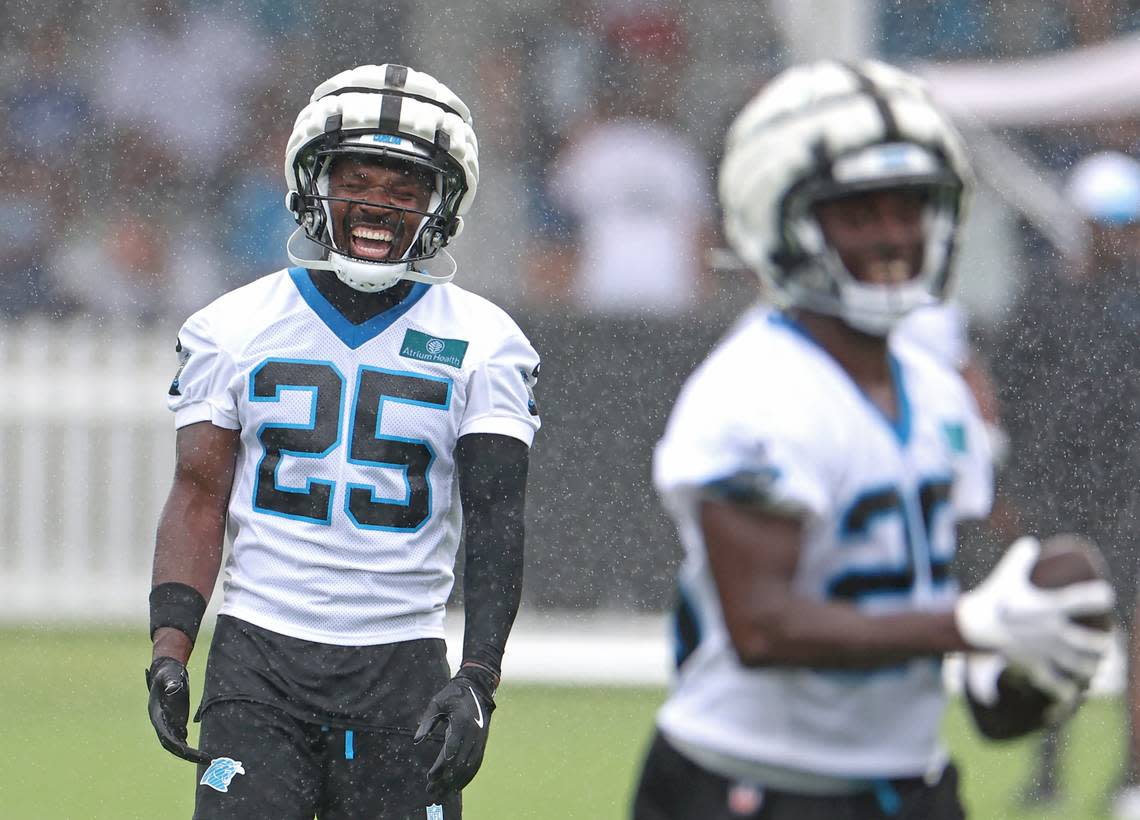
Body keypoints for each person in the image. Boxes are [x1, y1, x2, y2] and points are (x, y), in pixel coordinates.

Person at [631, 59, 1115, 820]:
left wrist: (1017, 669)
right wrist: (967, 627)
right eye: (861, 213)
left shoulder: (936, 391)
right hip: (753, 782)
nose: (895, 235)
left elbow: (938, 605)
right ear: (781, 217)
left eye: (910, 209)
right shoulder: (752, 389)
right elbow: (764, 626)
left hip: (910, 781)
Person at [144, 64, 541, 820]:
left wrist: (479, 678)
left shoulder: (486, 342)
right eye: (358, 181)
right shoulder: (231, 328)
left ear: (441, 203)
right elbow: (198, 494)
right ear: (312, 183)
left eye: (405, 190)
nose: (379, 207)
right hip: (259, 658)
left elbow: (496, 518)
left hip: (402, 664)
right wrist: (170, 649)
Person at [994, 150, 1140, 818]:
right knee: (1055, 630)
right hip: (1058, 491)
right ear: (1083, 222)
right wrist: (1011, 488)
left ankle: (1133, 774)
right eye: (1113, 221)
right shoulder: (1042, 300)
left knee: (1134, 630)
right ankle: (1048, 770)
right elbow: (1013, 399)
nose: (1125, 235)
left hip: (1131, 490)